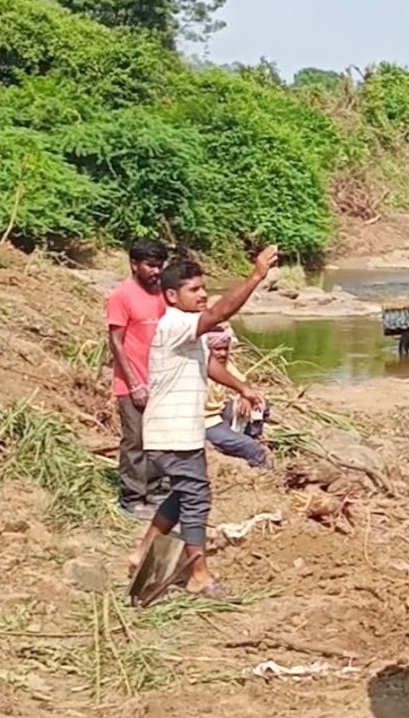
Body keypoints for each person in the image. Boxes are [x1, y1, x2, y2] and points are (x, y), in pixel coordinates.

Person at [127, 246, 278, 598]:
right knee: (197, 497)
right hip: (172, 432)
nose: (203, 294)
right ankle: (198, 575)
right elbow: (220, 312)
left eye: (203, 287)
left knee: (183, 495)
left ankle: (140, 553)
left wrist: (242, 387)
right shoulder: (176, 323)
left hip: (179, 432)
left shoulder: (187, 333)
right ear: (171, 296)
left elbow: (207, 365)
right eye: (194, 290)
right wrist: (256, 275)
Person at [106, 239, 170, 521]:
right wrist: (133, 384)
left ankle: (156, 490)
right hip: (132, 382)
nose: (156, 271)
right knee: (135, 441)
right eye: (150, 266)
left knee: (158, 439)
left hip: (159, 380)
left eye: (159, 265)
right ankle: (131, 497)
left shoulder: (162, 294)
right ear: (134, 264)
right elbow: (116, 342)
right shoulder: (122, 295)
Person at [203, 327, 272, 469]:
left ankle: (251, 435)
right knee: (252, 448)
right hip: (206, 423)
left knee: (260, 401)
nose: (223, 353)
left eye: (225, 349)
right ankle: (262, 471)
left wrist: (244, 396)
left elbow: (242, 382)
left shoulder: (225, 365)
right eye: (217, 349)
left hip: (219, 414)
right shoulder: (200, 368)